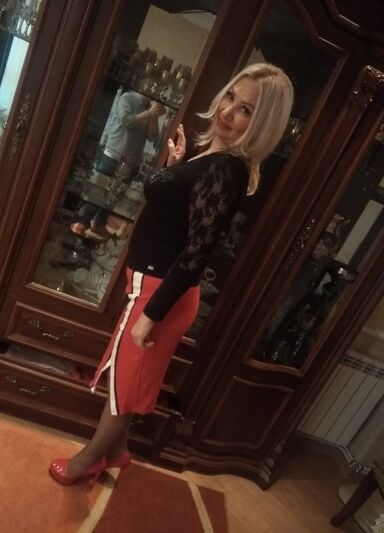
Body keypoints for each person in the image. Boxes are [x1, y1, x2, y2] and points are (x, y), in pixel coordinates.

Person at [49, 62, 294, 485]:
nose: (228, 110)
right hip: (152, 284)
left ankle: (87, 460)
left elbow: (197, 252)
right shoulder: (213, 159)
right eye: (232, 96)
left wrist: (152, 314)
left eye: (246, 110)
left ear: (262, 124)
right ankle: (118, 451)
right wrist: (179, 165)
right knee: (130, 375)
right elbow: (182, 214)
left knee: (123, 383)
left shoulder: (224, 169)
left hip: (160, 290)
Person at [71, 90, 165, 238]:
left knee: (115, 196)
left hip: (132, 162)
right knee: (99, 193)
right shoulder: (127, 97)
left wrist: (153, 116)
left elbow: (152, 136)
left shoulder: (149, 108)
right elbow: (127, 121)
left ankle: (99, 224)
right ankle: (82, 223)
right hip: (114, 155)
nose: (155, 92)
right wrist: (149, 113)